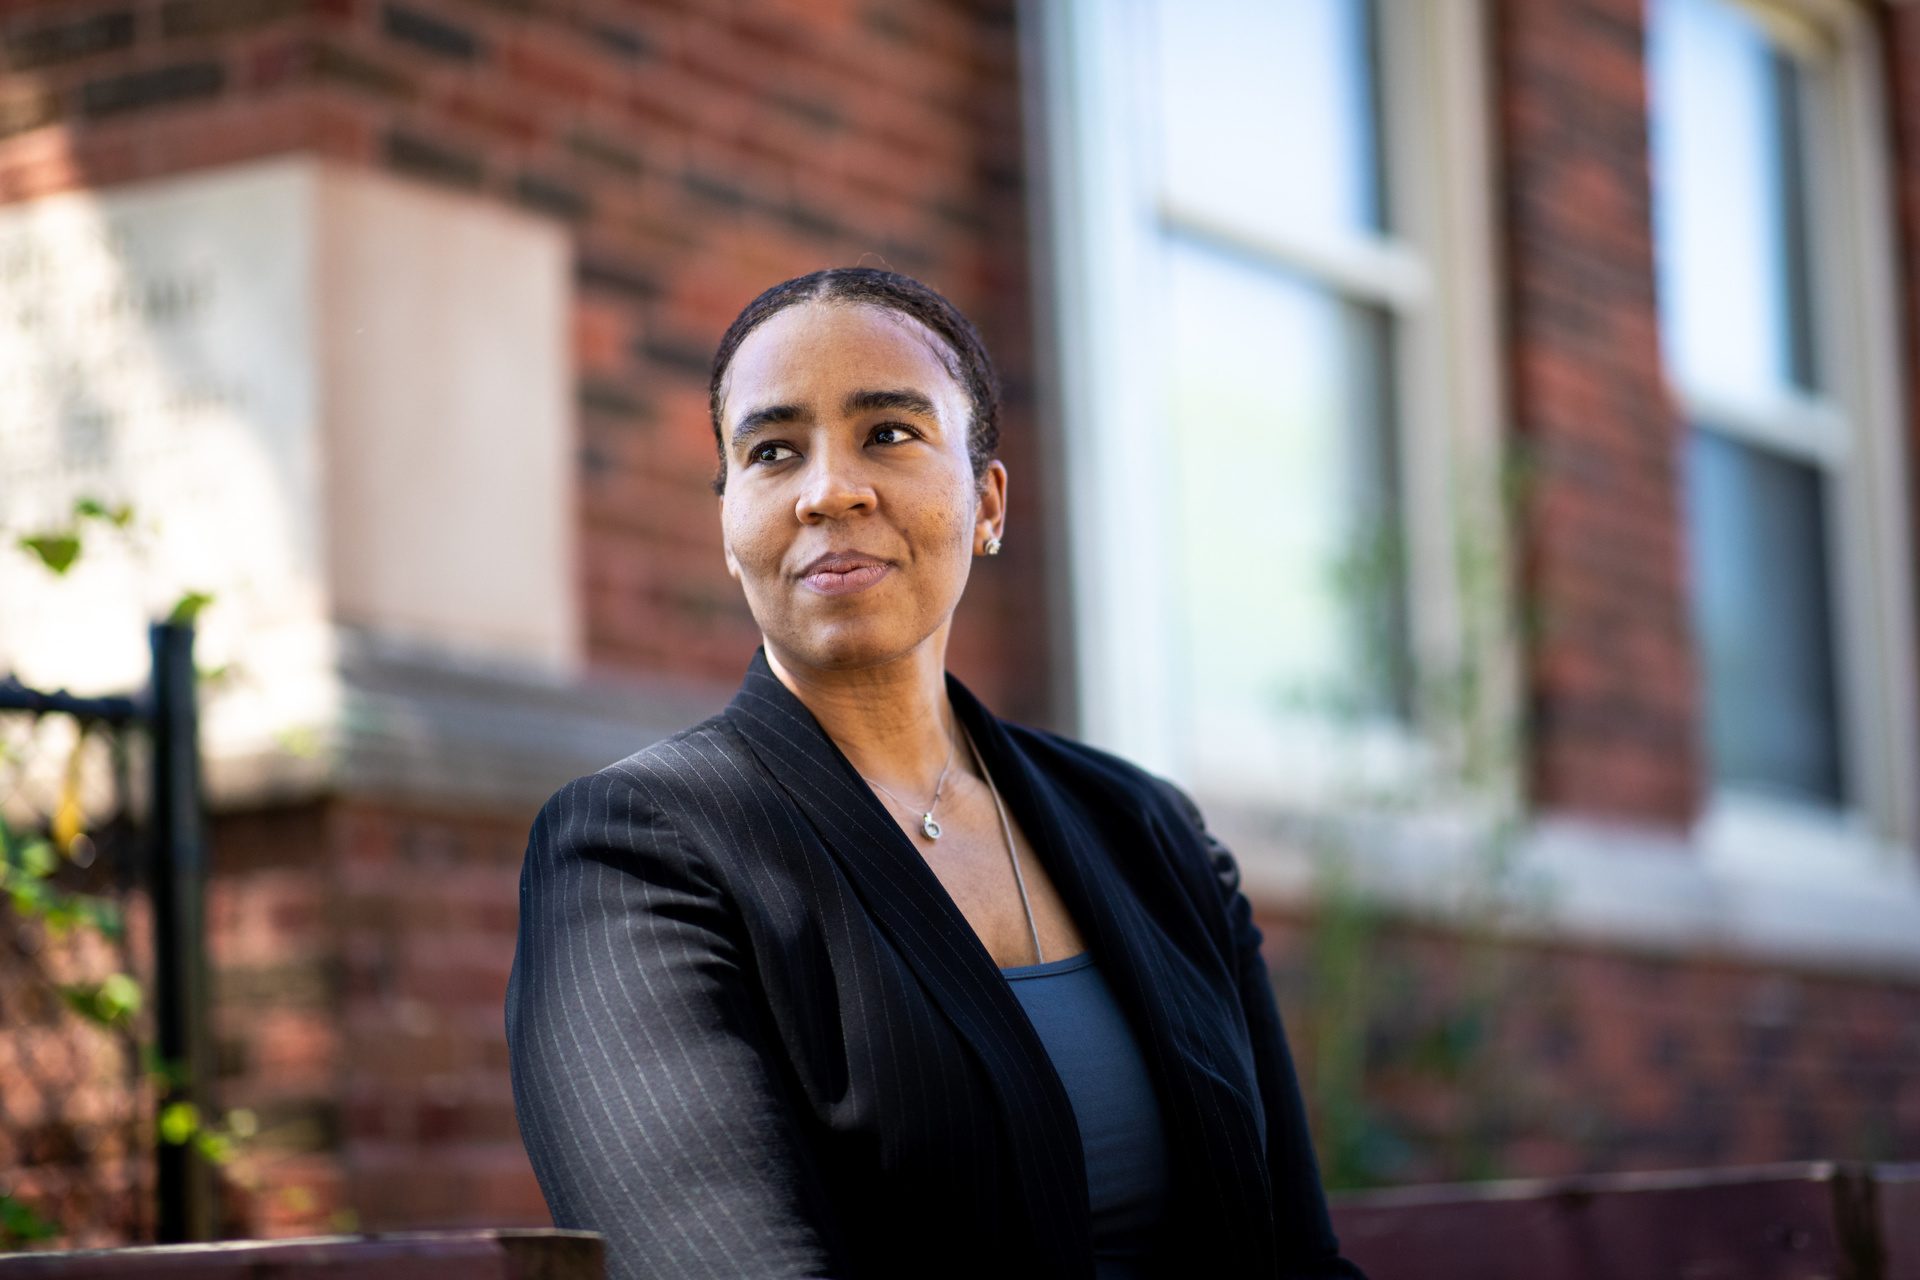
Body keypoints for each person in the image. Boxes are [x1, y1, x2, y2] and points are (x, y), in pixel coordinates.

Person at [504, 267, 1369, 1280]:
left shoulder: (1148, 831)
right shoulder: (634, 851)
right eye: (774, 451)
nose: (830, 488)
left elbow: (1299, 1257)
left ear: (988, 499)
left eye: (889, 432)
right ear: (729, 523)